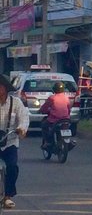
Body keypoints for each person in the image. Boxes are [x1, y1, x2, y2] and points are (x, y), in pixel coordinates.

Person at [0, 73, 29, 210]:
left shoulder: (15, 102)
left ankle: (8, 196)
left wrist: (21, 128)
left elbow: (24, 117)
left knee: (12, 167)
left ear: (6, 88)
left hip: (10, 141)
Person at [39, 81, 71, 149]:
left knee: (44, 125)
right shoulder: (66, 98)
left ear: (54, 89)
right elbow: (69, 109)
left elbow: (44, 108)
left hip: (54, 120)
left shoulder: (52, 98)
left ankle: (48, 142)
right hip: (66, 120)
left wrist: (41, 111)